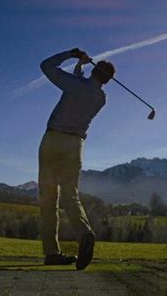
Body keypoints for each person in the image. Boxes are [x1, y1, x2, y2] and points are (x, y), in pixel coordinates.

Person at [38, 48, 115, 270]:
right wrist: (81, 66)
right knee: (70, 195)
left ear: (94, 71)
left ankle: (52, 252)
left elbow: (46, 65)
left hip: (53, 140)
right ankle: (84, 235)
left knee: (48, 199)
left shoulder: (76, 85)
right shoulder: (101, 98)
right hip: (75, 145)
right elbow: (80, 84)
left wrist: (71, 55)